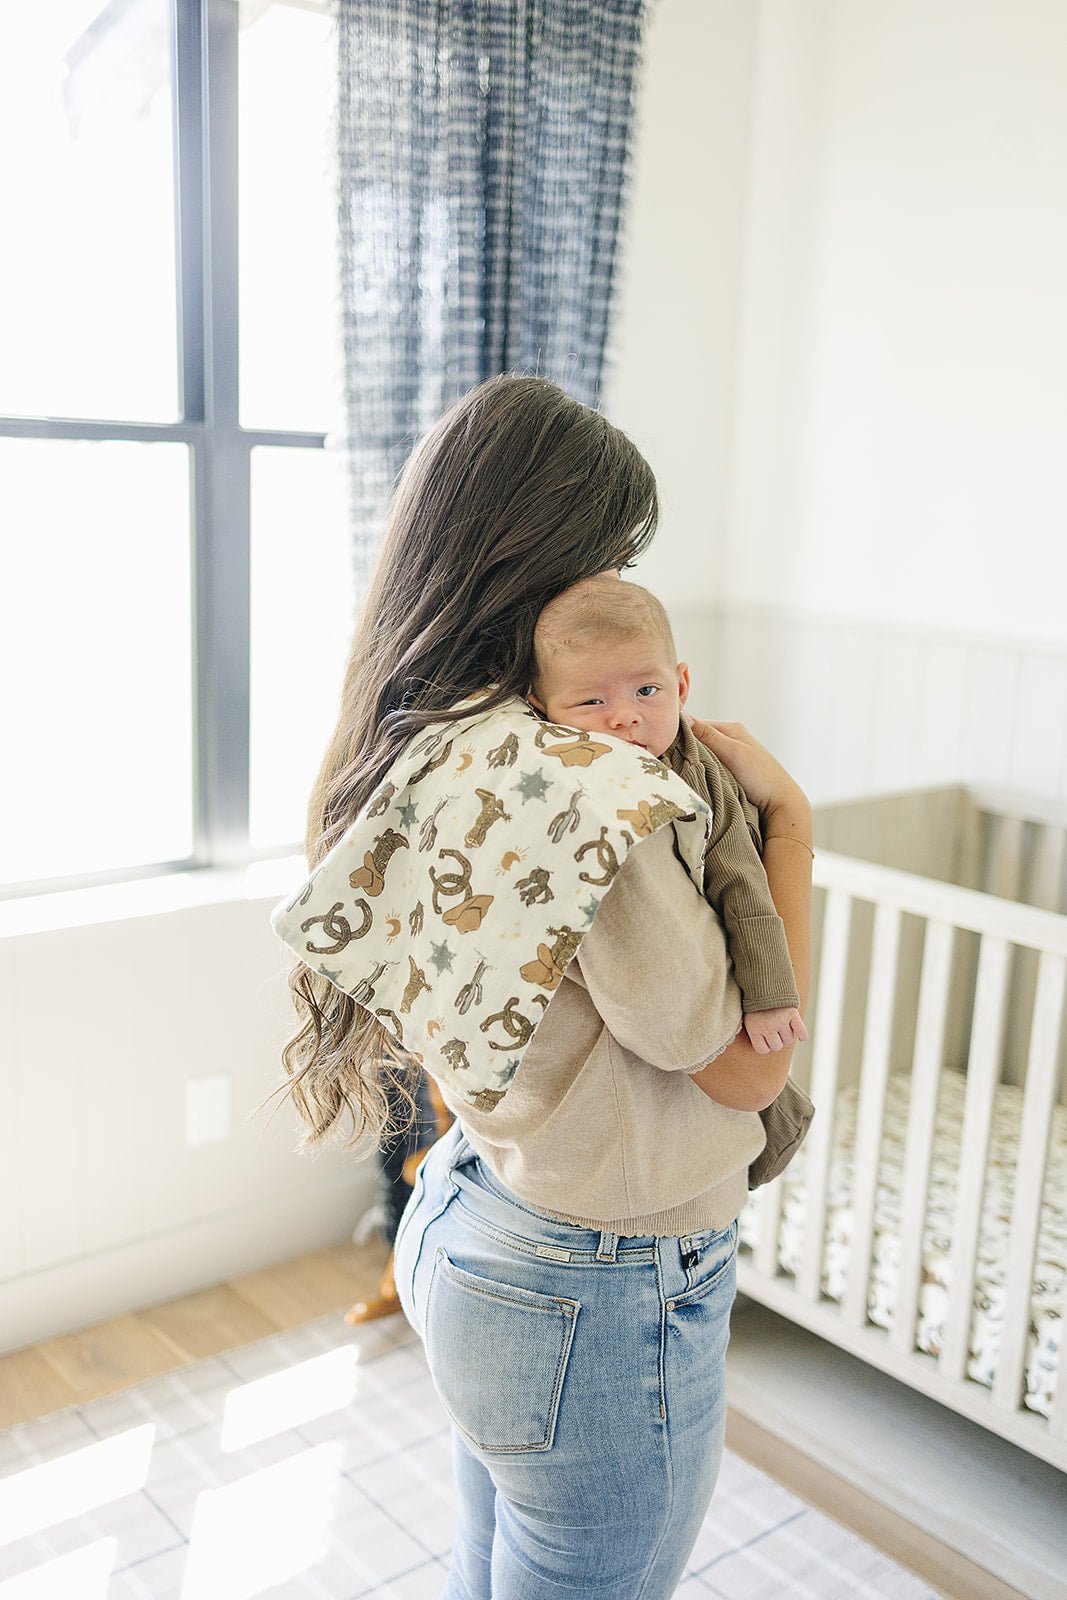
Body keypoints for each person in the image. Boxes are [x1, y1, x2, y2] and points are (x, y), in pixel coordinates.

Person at [269, 373, 813, 1600]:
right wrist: (790, 830)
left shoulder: (437, 729)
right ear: (533, 560)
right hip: (592, 1284)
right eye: (603, 554)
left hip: (472, 1212)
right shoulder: (589, 793)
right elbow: (746, 1066)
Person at [527, 574, 809, 1055]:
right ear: (540, 711)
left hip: (750, 958)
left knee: (778, 1112)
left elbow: (743, 885)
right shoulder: (557, 771)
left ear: (681, 686)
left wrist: (771, 997)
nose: (624, 717)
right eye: (592, 701)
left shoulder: (698, 777)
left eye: (647, 691)